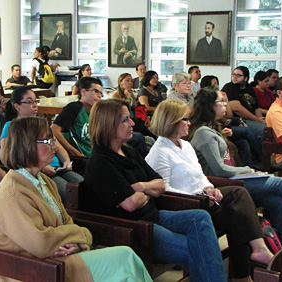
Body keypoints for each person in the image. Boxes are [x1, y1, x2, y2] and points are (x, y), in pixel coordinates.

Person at [0, 116, 153, 282]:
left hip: (58, 261)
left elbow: (66, 222)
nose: (54, 146)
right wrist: (79, 236)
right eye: (48, 140)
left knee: (127, 262)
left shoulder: (43, 180)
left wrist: (79, 242)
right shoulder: (13, 192)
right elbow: (41, 243)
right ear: (27, 145)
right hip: (36, 270)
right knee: (125, 260)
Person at [84, 99, 227, 282]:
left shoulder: (130, 152)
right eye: (125, 120)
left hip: (153, 215)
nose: (133, 123)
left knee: (200, 217)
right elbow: (130, 204)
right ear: (108, 124)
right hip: (136, 228)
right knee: (201, 249)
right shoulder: (101, 162)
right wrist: (144, 191)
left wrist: (141, 187)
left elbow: (160, 184)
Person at [146, 99, 274, 281]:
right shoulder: (159, 152)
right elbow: (164, 189)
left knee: (239, 213)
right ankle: (245, 270)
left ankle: (247, 268)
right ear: (171, 121)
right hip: (186, 206)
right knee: (239, 209)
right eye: (185, 119)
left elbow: (200, 174)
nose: (189, 123)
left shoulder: (185, 145)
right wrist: (198, 196)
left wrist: (209, 188)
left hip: (203, 198)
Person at [187, 87, 282, 246]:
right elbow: (219, 170)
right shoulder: (203, 133)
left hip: (233, 178)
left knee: (278, 202)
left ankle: (281, 250)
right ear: (209, 106)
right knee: (279, 183)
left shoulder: (212, 128)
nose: (225, 105)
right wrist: (248, 170)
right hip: (222, 184)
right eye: (221, 101)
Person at [0, 87, 83, 204]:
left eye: (35, 101)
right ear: (17, 106)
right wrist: (42, 167)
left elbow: (58, 147)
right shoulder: (12, 127)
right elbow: (5, 156)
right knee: (69, 194)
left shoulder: (40, 125)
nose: (34, 105)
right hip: (39, 171)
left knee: (82, 184)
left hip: (59, 169)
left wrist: (66, 161)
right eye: (29, 102)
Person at [201, 75, 262, 169]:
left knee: (243, 143)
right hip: (223, 127)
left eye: (217, 83)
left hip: (224, 127)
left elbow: (229, 115)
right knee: (246, 131)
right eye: (214, 84)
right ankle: (261, 159)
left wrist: (226, 99)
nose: (217, 86)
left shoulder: (219, 104)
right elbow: (219, 169)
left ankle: (250, 168)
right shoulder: (204, 130)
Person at [221, 66, 266, 141]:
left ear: (246, 78)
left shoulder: (250, 89)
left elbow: (256, 108)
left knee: (269, 128)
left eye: (238, 75)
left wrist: (261, 119)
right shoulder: (230, 87)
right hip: (239, 120)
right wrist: (258, 120)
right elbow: (237, 109)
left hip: (253, 118)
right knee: (263, 130)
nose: (235, 77)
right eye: (233, 74)